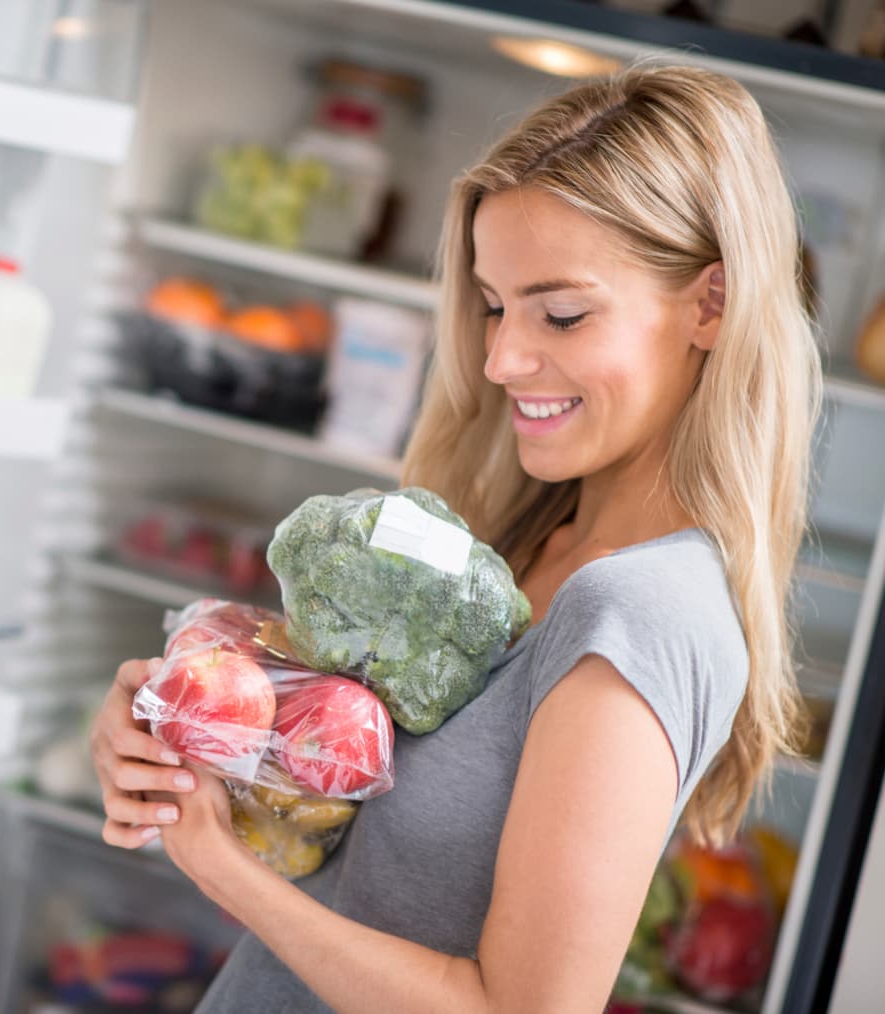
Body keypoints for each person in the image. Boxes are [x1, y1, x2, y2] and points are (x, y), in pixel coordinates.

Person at [90, 63, 820, 1012]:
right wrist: (194, 730)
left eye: (560, 312)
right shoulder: (521, 544)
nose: (503, 358)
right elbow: (352, 827)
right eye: (493, 304)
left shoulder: (641, 609)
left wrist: (217, 864)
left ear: (710, 306)